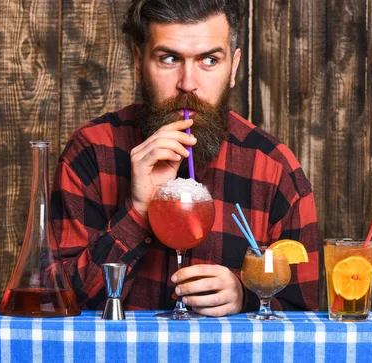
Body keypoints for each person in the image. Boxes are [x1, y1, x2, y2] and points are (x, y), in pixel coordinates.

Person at [51, 0, 319, 317]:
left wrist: (245, 298)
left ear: (233, 68)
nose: (188, 83)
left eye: (209, 59)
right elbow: (56, 302)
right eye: (169, 58)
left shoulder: (274, 168)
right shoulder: (92, 151)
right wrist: (137, 212)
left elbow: (305, 316)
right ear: (139, 62)